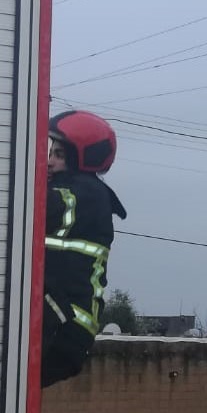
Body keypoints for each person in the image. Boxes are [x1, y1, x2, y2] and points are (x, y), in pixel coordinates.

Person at [42, 110, 127, 389]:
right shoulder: (77, 190)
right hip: (60, 322)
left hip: (64, 325)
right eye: (49, 152)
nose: (49, 161)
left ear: (81, 158)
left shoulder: (85, 195)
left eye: (59, 155)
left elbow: (44, 208)